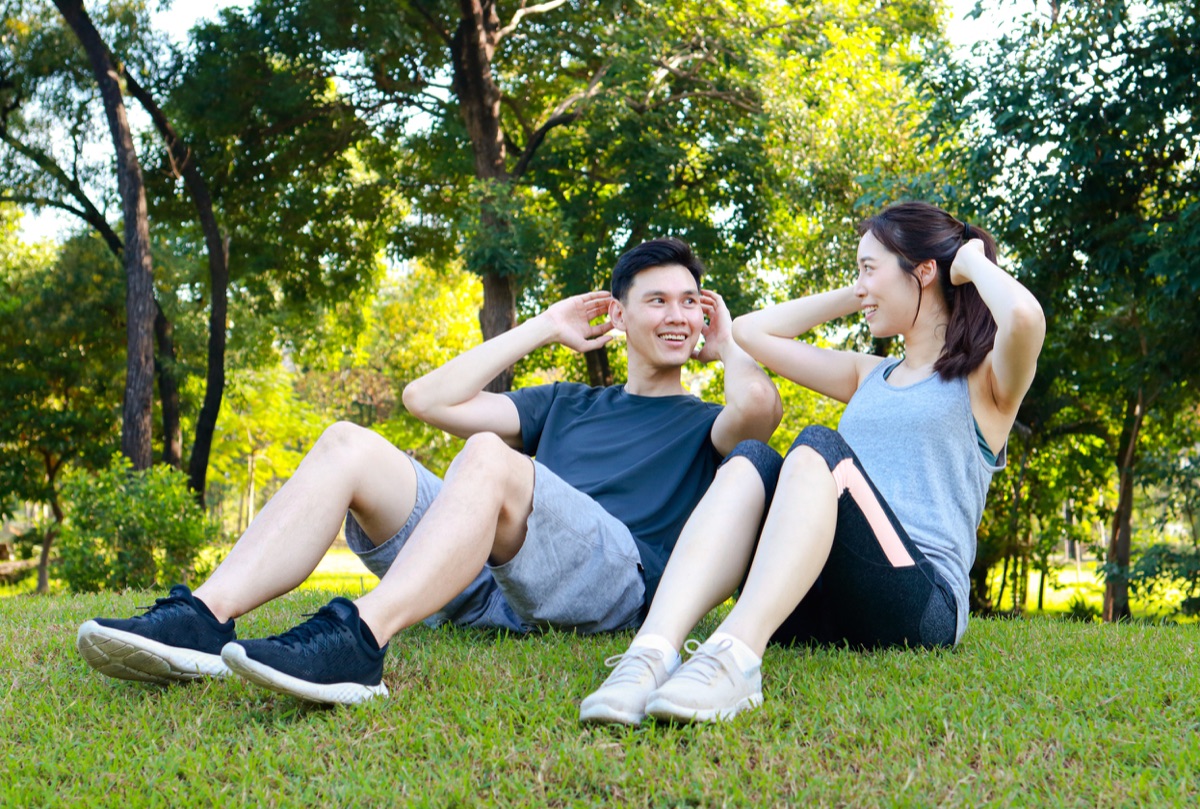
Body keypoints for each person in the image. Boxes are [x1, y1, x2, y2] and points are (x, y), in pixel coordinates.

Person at [76, 238, 782, 705]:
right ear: (618, 316)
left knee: (489, 456)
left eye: (691, 302)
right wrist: (543, 326)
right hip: (492, 582)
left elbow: (758, 406)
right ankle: (205, 617)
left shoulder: (707, 423)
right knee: (349, 442)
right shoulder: (566, 402)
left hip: (613, 582)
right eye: (657, 300)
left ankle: (361, 640)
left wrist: (729, 342)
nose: (678, 315)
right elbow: (427, 399)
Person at [580, 202, 1046, 725]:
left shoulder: (986, 382)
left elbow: (1025, 318)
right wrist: (866, 289)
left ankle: (735, 660)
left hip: (918, 606)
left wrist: (970, 262)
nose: (860, 285)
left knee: (819, 447)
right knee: (751, 459)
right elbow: (751, 332)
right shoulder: (868, 374)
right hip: (819, 603)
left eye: (867, 268)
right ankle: (649, 655)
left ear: (923, 271)